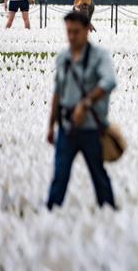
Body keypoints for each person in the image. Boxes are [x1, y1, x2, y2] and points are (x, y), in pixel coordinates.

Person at [46, 11, 117, 210]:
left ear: (87, 30)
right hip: (67, 127)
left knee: (98, 174)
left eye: (76, 32)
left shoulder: (99, 56)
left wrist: (85, 104)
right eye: (68, 32)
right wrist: (51, 126)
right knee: (60, 175)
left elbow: (110, 81)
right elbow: (57, 94)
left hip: (91, 128)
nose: (71, 37)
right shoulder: (63, 58)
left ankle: (109, 211)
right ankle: (50, 212)